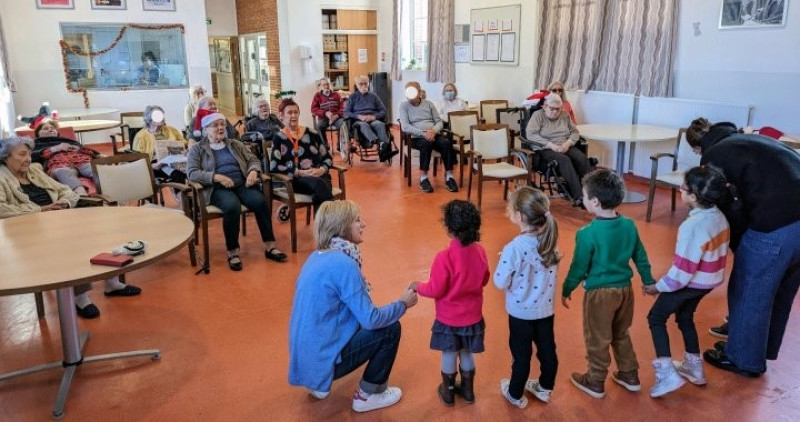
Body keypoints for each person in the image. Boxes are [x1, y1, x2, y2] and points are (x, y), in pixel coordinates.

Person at [685, 118, 800, 378]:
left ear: (697, 148)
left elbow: (728, 208)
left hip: (776, 223)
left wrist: (737, 245)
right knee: (781, 290)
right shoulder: (750, 140)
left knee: (750, 286)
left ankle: (744, 358)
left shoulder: (713, 157)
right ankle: (757, 344)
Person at [288, 200, 418, 413]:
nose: (363, 224)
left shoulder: (316, 256)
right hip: (322, 358)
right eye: (357, 220)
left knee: (358, 317)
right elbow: (372, 319)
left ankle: (317, 382)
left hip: (306, 358)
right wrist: (402, 304)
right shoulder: (344, 264)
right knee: (390, 329)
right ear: (342, 226)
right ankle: (369, 395)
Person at [0, 137, 140, 319]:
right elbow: (2, 209)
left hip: (58, 221)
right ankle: (80, 297)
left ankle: (111, 282)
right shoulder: (2, 178)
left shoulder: (34, 172)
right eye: (22, 154)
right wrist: (39, 210)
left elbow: (65, 190)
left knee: (104, 226)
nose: (28, 158)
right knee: (72, 244)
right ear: (5, 157)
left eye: (28, 154)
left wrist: (66, 202)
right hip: (28, 232)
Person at [562, 169, 655, 399]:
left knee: (597, 337)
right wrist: (648, 281)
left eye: (584, 196)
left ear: (594, 202)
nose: (583, 200)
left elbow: (578, 267)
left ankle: (595, 380)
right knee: (620, 332)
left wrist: (567, 288)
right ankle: (629, 374)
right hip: (625, 290)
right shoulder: (629, 226)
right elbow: (641, 257)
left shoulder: (587, 233)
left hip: (599, 293)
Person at [643, 166, 731, 398]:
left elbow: (680, 275)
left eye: (682, 188)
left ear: (693, 196)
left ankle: (666, 373)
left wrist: (657, 287)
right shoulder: (719, 216)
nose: (679, 191)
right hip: (708, 283)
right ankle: (694, 368)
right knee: (684, 317)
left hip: (690, 284)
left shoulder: (692, 227)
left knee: (656, 318)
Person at [410, 200, 489, 406]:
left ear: (449, 228)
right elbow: (484, 279)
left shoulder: (443, 257)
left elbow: (435, 289)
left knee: (449, 353)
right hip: (472, 317)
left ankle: (448, 390)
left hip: (449, 320)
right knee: (466, 352)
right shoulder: (480, 252)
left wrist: (417, 286)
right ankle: (469, 390)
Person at [186, 112, 286, 271]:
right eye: (215, 125)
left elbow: (253, 159)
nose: (220, 128)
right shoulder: (197, 149)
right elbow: (192, 173)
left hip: (242, 183)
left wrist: (253, 171)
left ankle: (270, 246)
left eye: (222, 125)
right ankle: (233, 252)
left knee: (259, 202)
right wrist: (216, 177)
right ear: (205, 130)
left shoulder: (234, 144)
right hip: (217, 188)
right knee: (232, 207)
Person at [494, 187, 560, 409]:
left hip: (521, 313)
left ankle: (514, 393)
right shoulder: (550, 241)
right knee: (547, 350)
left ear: (520, 216)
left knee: (521, 356)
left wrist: (505, 264)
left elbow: (500, 281)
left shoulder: (513, 248)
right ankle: (544, 388)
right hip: (545, 310)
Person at [525, 94, 592, 206]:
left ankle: (593, 193)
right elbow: (531, 134)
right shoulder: (538, 116)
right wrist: (550, 145)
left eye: (558, 109)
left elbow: (575, 132)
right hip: (544, 148)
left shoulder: (565, 115)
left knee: (582, 159)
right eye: (552, 108)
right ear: (545, 106)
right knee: (564, 161)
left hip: (564, 144)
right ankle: (579, 196)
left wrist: (568, 143)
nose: (555, 112)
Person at [269, 98, 335, 212]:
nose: (293, 115)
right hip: (297, 180)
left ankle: (323, 227)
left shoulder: (312, 133)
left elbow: (328, 158)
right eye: (289, 113)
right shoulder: (278, 138)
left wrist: (322, 170)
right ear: (281, 116)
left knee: (319, 193)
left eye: (296, 112)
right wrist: (298, 172)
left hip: (320, 175)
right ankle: (334, 225)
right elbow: (274, 166)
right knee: (321, 187)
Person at [398, 81, 459, 194]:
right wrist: (423, 133)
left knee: (446, 143)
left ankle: (449, 176)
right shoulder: (404, 106)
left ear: (419, 92)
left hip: (433, 134)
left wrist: (433, 131)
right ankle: (423, 178)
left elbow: (439, 122)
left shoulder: (429, 104)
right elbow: (405, 126)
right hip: (416, 137)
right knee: (426, 144)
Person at [32, 119, 99, 196]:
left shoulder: (68, 140)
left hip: (81, 160)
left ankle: (111, 188)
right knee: (62, 172)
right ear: (38, 134)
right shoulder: (35, 144)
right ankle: (82, 196)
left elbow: (94, 153)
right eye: (45, 128)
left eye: (52, 128)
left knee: (95, 169)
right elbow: (31, 156)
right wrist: (55, 149)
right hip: (58, 164)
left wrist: (79, 149)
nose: (50, 129)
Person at [344, 74, 396, 162]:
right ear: (356, 85)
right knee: (363, 125)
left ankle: (383, 148)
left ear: (369, 84)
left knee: (380, 124)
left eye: (365, 83)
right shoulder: (353, 97)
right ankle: (376, 141)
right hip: (359, 121)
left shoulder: (374, 96)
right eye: (361, 84)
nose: (364, 86)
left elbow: (383, 111)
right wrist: (359, 116)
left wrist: (373, 116)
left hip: (373, 119)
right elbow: (347, 112)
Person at [132, 105, 189, 183]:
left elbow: (185, 143)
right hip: (157, 165)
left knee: (193, 171)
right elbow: (138, 159)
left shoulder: (172, 130)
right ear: (149, 120)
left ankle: (184, 192)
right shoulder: (141, 136)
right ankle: (182, 192)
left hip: (178, 160)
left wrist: (186, 149)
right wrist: (153, 166)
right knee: (177, 175)